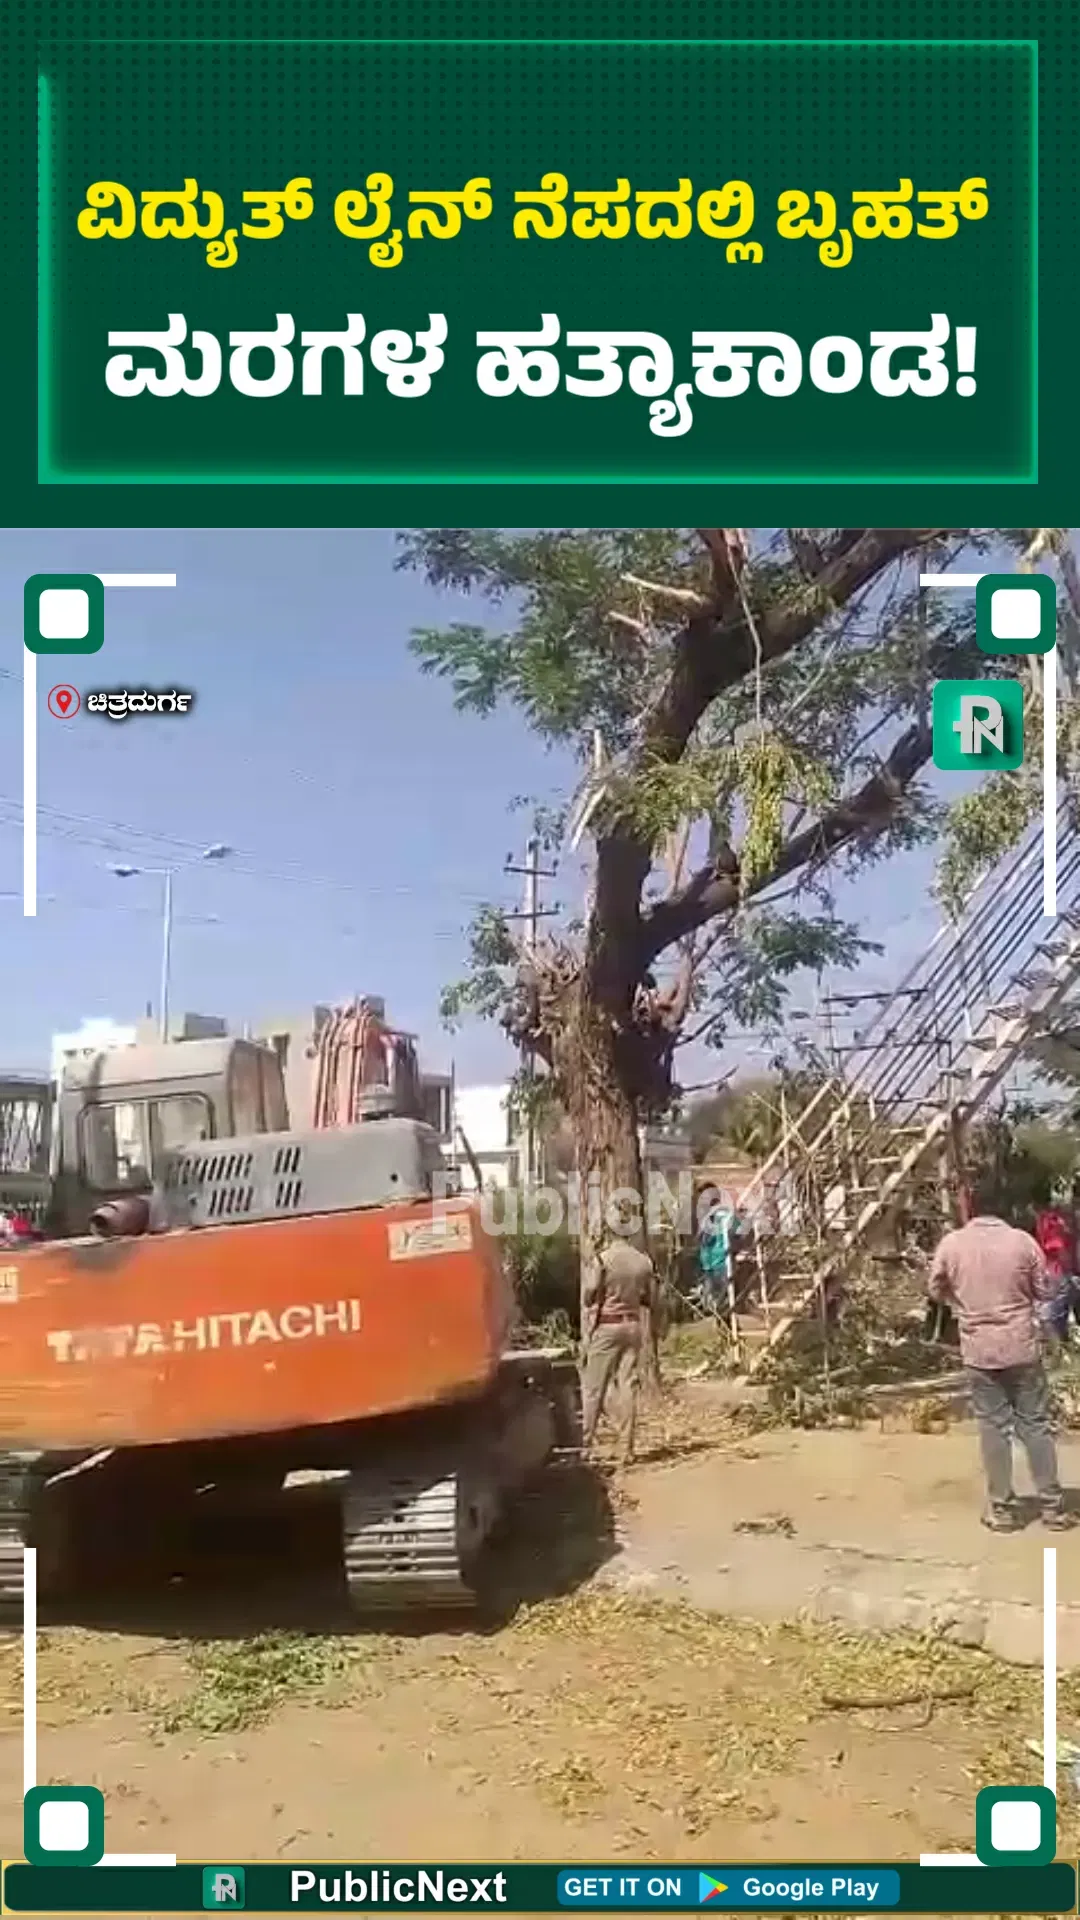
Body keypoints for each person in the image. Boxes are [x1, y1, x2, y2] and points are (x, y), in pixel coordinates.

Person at [927, 1181, 1076, 1532]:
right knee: (1034, 1424)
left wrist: (960, 1303)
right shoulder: (1022, 1242)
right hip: (1021, 1346)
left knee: (993, 1427)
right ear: (1005, 1209)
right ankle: (1053, 1507)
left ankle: (1002, 1509)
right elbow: (1044, 1289)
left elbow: (935, 1288)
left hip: (979, 1350)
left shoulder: (952, 1244)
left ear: (971, 1208)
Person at [580, 1235, 658, 1467]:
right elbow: (650, 1299)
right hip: (633, 1326)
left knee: (594, 1388)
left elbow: (589, 1295)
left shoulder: (603, 1259)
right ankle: (627, 1449)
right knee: (627, 1386)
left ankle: (587, 1446)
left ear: (608, 1235)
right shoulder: (644, 1261)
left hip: (608, 1326)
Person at [1034, 1186, 1079, 1340]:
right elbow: (1058, 1248)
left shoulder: (1048, 1220)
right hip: (1057, 1272)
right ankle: (1058, 1346)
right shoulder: (1052, 1221)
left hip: (1053, 1271)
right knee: (1053, 1316)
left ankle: (1058, 1346)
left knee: (1053, 1316)